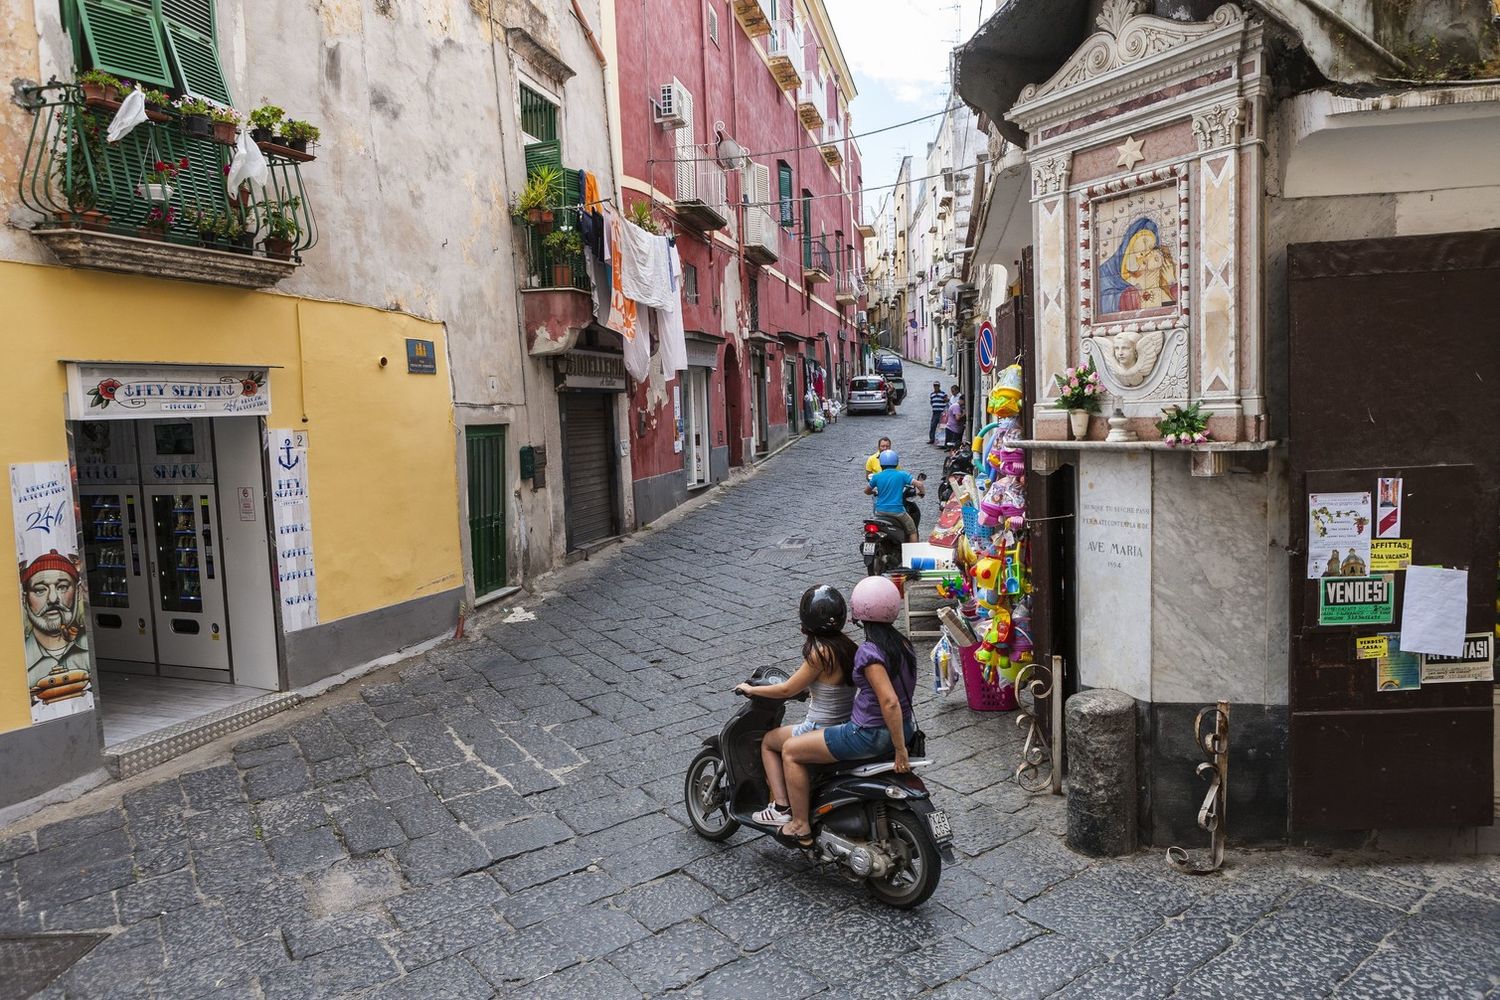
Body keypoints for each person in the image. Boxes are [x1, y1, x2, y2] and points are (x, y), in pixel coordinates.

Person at [776, 575, 919, 846]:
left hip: (868, 733)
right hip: (904, 726)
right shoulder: (904, 645)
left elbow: (888, 701)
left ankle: (800, 824)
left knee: (791, 750)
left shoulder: (869, 652)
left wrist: (900, 749)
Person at [734, 585, 857, 825]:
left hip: (819, 728)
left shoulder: (820, 653)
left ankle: (781, 807)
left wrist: (751, 689)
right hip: (844, 724)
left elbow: (787, 689)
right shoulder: (848, 647)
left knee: (769, 742)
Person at [865, 449, 923, 541]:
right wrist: (921, 492)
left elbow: (866, 491)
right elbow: (919, 484)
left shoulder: (876, 476)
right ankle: (913, 552)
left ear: (881, 464)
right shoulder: (902, 475)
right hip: (898, 512)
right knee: (912, 530)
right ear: (896, 463)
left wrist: (874, 492)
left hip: (880, 511)